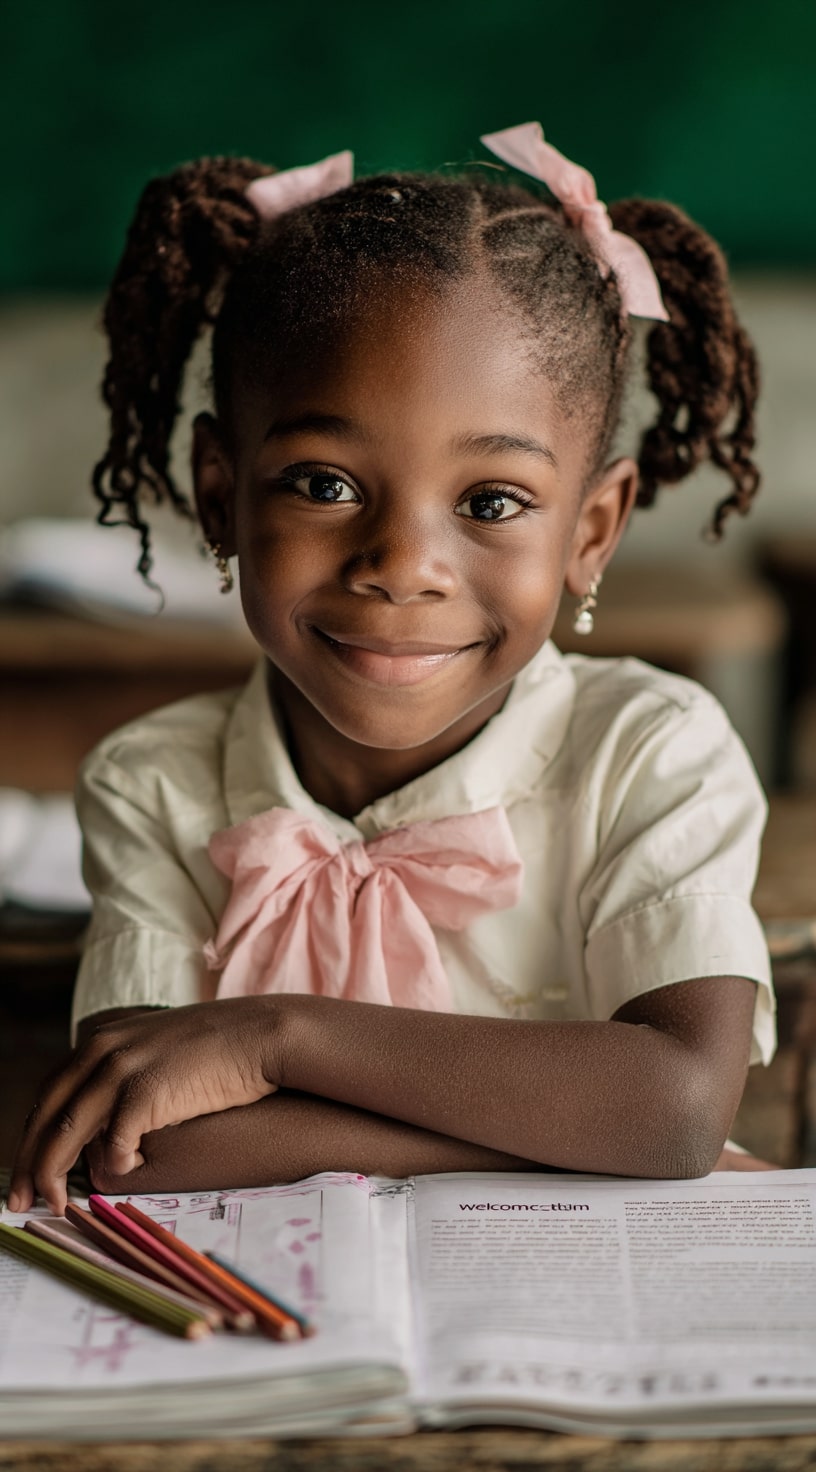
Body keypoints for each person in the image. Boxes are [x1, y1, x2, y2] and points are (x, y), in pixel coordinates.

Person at [10, 123, 776, 1217]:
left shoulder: (651, 751)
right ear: (219, 487)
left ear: (592, 529)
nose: (401, 567)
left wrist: (278, 1034)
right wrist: (572, 1136)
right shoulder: (154, 780)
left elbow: (676, 1106)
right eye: (323, 484)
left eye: (493, 502)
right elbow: (145, 1148)